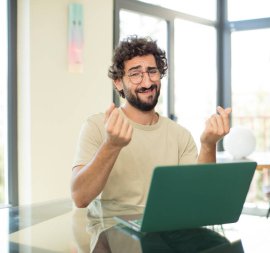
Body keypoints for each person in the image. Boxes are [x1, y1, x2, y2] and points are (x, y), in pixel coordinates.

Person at [71, 35, 232, 208]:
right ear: (118, 82)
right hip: (113, 233)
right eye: (135, 74)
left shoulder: (180, 136)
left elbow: (200, 197)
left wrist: (208, 145)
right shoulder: (97, 126)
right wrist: (111, 145)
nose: (147, 82)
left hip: (168, 232)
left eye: (152, 71)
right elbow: (80, 198)